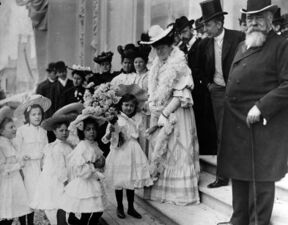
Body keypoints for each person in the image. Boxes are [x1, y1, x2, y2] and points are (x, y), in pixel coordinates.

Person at [216, 1, 288, 225]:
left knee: (260, 179)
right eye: (249, 18)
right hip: (238, 124)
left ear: (269, 19)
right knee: (239, 174)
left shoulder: (281, 45)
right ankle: (238, 220)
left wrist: (261, 106)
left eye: (259, 18)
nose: (253, 23)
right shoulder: (242, 45)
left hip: (262, 125)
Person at [141, 25, 200, 205]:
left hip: (177, 111)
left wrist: (165, 113)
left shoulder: (179, 63)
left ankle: (180, 193)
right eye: (156, 48)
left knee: (177, 150)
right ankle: (161, 191)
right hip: (161, 112)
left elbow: (182, 94)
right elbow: (155, 91)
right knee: (161, 150)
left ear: (170, 45)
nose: (159, 51)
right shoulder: (157, 65)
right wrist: (153, 105)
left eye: (162, 47)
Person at [198, 0, 245, 188]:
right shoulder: (203, 45)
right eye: (204, 25)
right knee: (222, 133)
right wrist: (209, 84)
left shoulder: (238, 37)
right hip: (217, 91)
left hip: (238, 91)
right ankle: (223, 176)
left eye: (208, 25)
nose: (205, 29)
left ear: (219, 23)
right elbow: (199, 68)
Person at [103, 94, 153, 219]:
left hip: (133, 150)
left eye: (131, 105)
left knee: (131, 180)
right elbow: (108, 138)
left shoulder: (136, 119)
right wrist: (113, 129)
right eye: (126, 105)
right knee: (119, 181)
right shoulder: (116, 119)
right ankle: (120, 206)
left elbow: (140, 135)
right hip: (120, 151)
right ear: (121, 105)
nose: (128, 108)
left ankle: (131, 207)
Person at [175, 15, 217, 155]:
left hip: (202, 89)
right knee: (193, 121)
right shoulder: (182, 48)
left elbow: (206, 66)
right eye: (180, 33)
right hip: (190, 90)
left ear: (190, 29)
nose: (182, 35)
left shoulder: (201, 44)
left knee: (204, 119)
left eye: (184, 31)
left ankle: (207, 150)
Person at [60, 114, 106, 225]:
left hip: (94, 180)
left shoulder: (94, 144)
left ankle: (87, 221)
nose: (92, 132)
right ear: (82, 132)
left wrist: (101, 164)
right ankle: (77, 220)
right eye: (88, 129)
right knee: (86, 210)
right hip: (85, 182)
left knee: (98, 210)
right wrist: (94, 165)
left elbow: (100, 162)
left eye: (94, 129)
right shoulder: (82, 146)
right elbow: (79, 169)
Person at [30, 114, 74, 225]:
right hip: (60, 181)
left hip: (67, 177)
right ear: (54, 132)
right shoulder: (56, 147)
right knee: (60, 205)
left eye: (66, 130)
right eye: (61, 130)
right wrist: (66, 183)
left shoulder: (67, 145)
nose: (64, 133)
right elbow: (60, 168)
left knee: (63, 207)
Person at [14, 94, 51, 224]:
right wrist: (21, 159)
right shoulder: (22, 131)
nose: (37, 117)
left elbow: (46, 150)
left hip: (39, 168)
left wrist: (46, 166)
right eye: (34, 114)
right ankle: (24, 222)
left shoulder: (43, 131)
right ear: (28, 116)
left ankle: (31, 222)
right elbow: (17, 150)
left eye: (39, 114)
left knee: (35, 197)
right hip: (26, 167)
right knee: (26, 197)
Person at [0, 106, 32, 225]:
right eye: (11, 127)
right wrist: (18, 165)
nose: (15, 129)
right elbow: (2, 168)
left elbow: (16, 157)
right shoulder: (1, 145)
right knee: (8, 211)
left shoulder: (11, 142)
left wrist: (22, 158)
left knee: (19, 208)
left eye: (15, 126)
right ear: (2, 131)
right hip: (7, 182)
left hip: (16, 181)